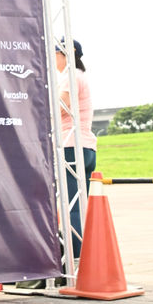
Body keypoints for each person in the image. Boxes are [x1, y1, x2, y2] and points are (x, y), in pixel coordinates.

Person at [56, 38, 97, 260]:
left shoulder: (70, 76)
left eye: (55, 54)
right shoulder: (80, 76)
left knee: (71, 207)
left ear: (65, 54)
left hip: (71, 145)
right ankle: (84, 255)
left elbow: (61, 107)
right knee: (80, 206)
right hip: (87, 147)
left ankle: (76, 258)